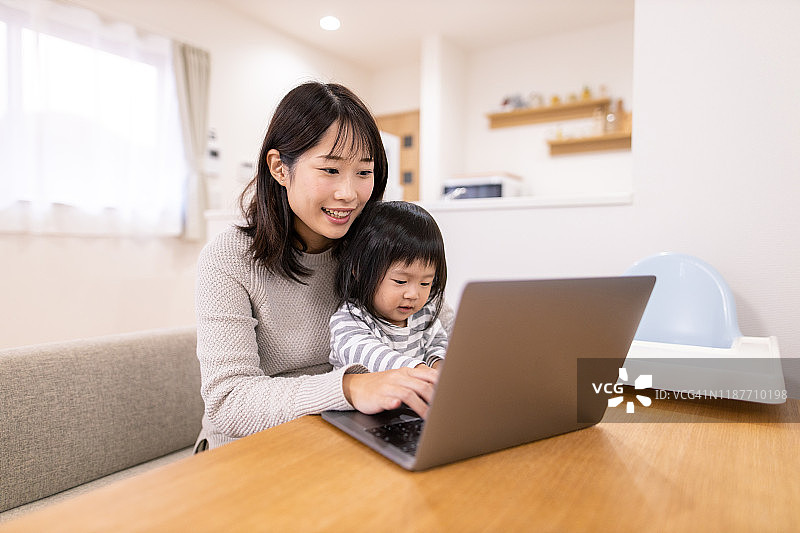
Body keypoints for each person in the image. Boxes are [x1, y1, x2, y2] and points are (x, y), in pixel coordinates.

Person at [194, 81, 450, 451]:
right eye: (330, 170)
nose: (349, 194)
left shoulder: (371, 245)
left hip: (341, 438)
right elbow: (229, 402)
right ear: (280, 168)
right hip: (248, 451)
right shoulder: (229, 258)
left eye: (364, 172)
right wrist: (350, 387)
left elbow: (441, 321)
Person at [329, 201, 448, 372]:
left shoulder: (424, 313)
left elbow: (437, 343)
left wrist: (439, 365)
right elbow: (372, 357)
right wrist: (420, 371)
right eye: (400, 281)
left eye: (425, 283)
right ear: (360, 270)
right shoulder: (350, 319)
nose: (413, 294)